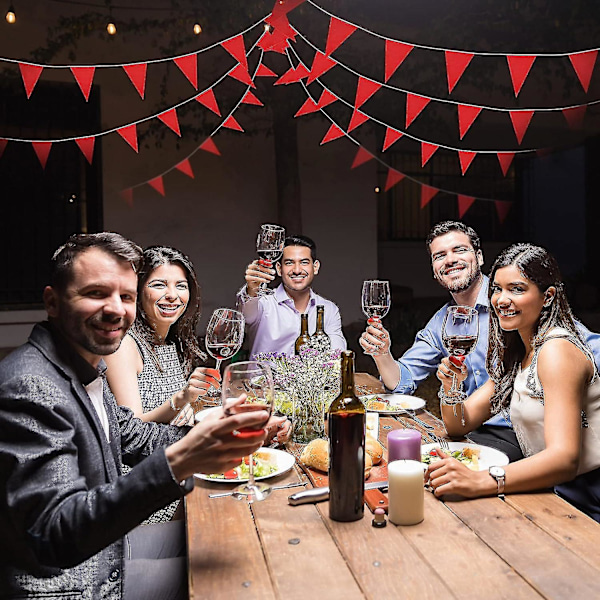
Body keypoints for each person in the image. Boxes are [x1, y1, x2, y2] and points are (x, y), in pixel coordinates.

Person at [0, 233, 272, 599]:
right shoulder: (31, 385)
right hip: (71, 585)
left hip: (105, 549)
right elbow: (56, 535)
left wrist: (228, 434)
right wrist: (181, 461)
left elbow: (136, 435)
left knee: (239, 550)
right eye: (96, 293)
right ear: (52, 301)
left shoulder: (82, 368)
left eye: (125, 296)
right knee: (236, 585)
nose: (116, 309)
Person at [359, 221, 600, 462]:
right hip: (476, 426)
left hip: (530, 433)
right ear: (434, 269)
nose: (450, 259)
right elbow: (403, 382)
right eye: (440, 255)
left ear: (480, 257)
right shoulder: (443, 322)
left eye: (459, 250)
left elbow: (585, 350)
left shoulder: (517, 309)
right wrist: (383, 354)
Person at [427, 243, 600, 522]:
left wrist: (481, 481)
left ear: (548, 296)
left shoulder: (556, 350)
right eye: (496, 289)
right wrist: (452, 387)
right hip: (545, 490)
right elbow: (458, 423)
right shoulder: (521, 354)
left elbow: (564, 459)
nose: (501, 299)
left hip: (584, 500)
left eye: (517, 289)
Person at [237, 234, 347, 357]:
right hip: (263, 376)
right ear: (279, 269)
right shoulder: (263, 303)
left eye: (304, 262)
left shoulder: (329, 310)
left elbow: (337, 354)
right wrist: (252, 289)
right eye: (289, 263)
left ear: (315, 267)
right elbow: (245, 314)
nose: (297, 270)